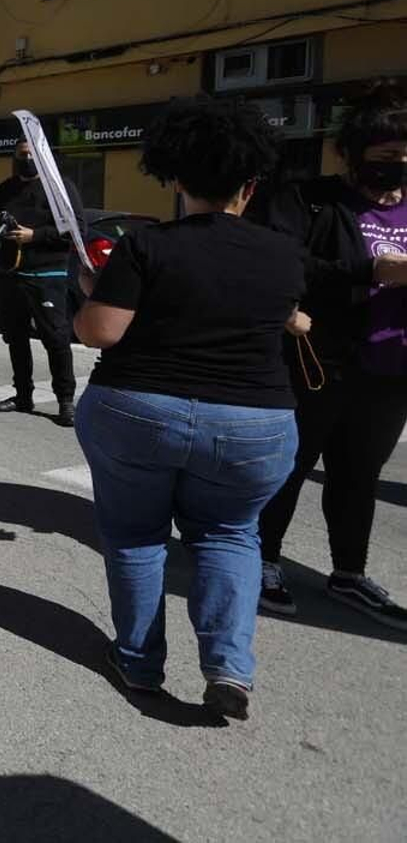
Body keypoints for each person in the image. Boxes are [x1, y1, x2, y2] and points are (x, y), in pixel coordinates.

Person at [72, 99, 302, 720]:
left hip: (138, 409)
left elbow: (100, 331)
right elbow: (277, 314)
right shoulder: (284, 252)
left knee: (135, 535)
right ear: (249, 184)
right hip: (254, 421)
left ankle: (139, 661)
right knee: (231, 534)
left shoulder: (146, 245)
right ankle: (228, 666)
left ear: (176, 179)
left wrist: (92, 293)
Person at [254, 83, 407, 628]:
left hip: (392, 370)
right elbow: (281, 262)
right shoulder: (310, 200)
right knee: (289, 467)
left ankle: (348, 572)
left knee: (359, 475)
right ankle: (262, 560)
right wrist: (371, 271)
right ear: (353, 152)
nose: (400, 166)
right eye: (389, 155)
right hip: (319, 362)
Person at [0, 139, 87, 427]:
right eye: (22, 155)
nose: (27, 159)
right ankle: (23, 395)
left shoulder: (60, 187)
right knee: (15, 337)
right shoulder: (6, 188)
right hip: (10, 272)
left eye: (31, 154)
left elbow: (77, 229)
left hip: (47, 273)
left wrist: (35, 235)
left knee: (55, 337)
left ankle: (65, 401)